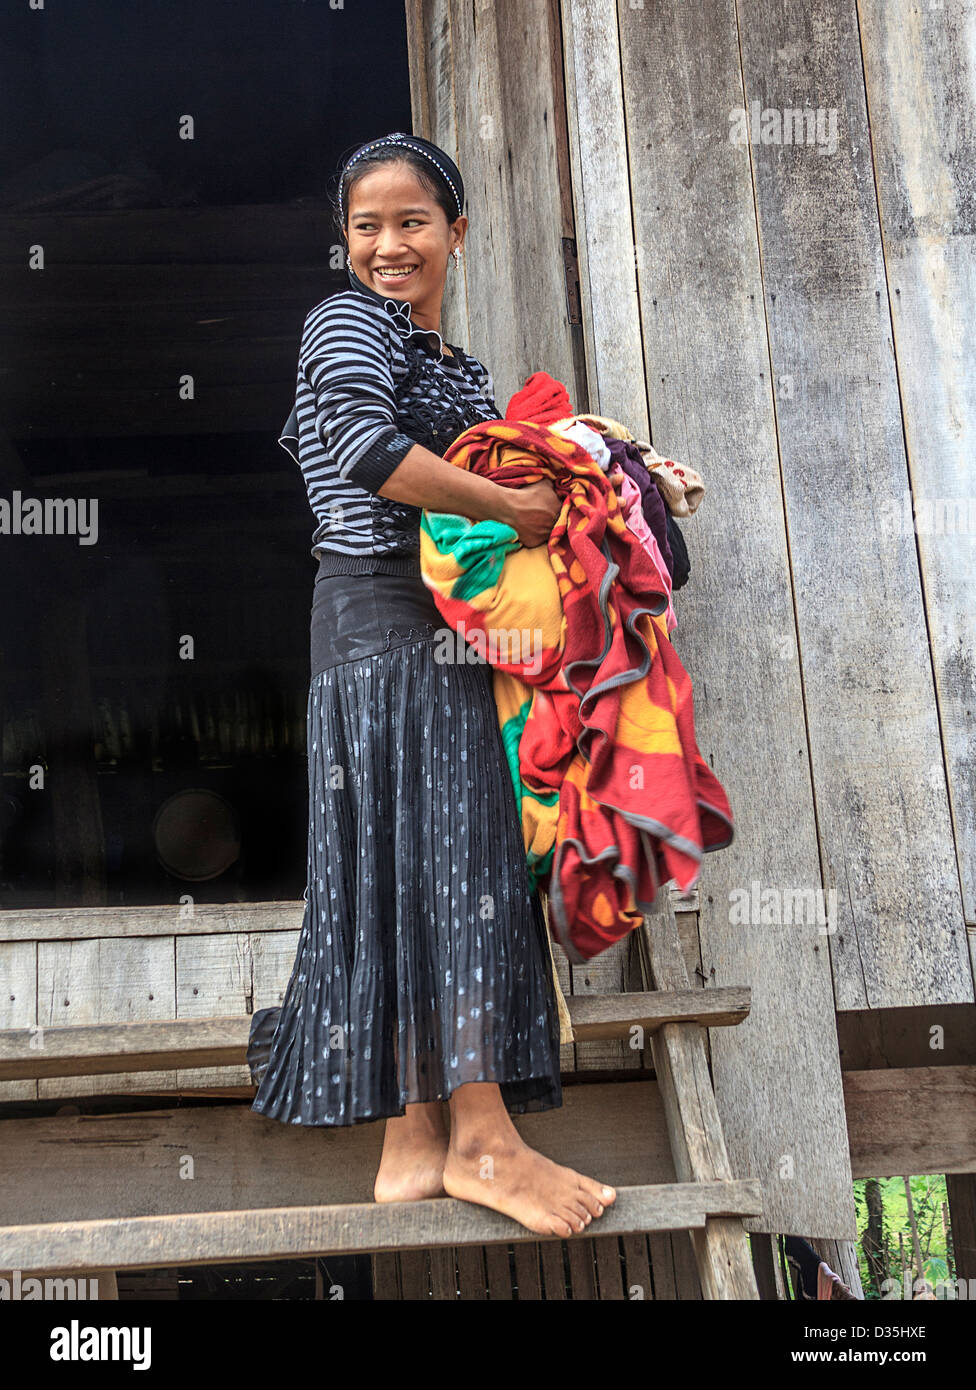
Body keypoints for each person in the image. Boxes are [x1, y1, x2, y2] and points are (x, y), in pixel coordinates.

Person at [247, 131, 617, 1240]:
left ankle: (415, 1145)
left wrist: (622, 473)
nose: (386, 243)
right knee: (457, 867)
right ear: (344, 241)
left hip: (417, 634)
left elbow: (513, 458)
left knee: (416, 870)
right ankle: (486, 1138)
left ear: (455, 232)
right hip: (388, 624)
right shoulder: (346, 321)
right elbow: (365, 447)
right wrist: (511, 511)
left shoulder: (448, 362)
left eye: (411, 221)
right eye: (365, 225)